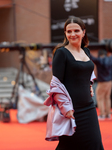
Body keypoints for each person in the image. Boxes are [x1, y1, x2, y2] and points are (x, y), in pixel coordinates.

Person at [44, 16, 104, 150]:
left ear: (83, 32)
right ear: (65, 33)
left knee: (95, 143)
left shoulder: (86, 51)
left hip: (88, 107)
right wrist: (66, 109)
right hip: (71, 109)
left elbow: (87, 73)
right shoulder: (61, 53)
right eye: (68, 31)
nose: (72, 34)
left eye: (76, 31)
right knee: (70, 145)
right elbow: (56, 84)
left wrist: (89, 85)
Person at [90, 43, 112, 120]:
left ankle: (102, 114)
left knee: (100, 98)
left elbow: (91, 57)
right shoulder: (110, 59)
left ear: (99, 54)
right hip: (109, 82)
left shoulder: (98, 60)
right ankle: (108, 114)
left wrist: (85, 48)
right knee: (107, 98)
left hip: (102, 82)